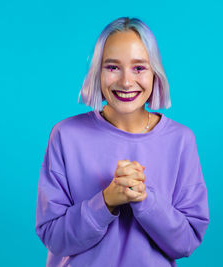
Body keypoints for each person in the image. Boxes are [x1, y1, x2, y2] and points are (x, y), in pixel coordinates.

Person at [35, 17, 209, 267]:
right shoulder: (65, 135)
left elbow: (187, 241)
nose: (126, 82)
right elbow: (54, 237)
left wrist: (143, 199)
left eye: (139, 68)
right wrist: (105, 201)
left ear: (155, 73)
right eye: (112, 67)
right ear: (97, 71)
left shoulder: (181, 140)